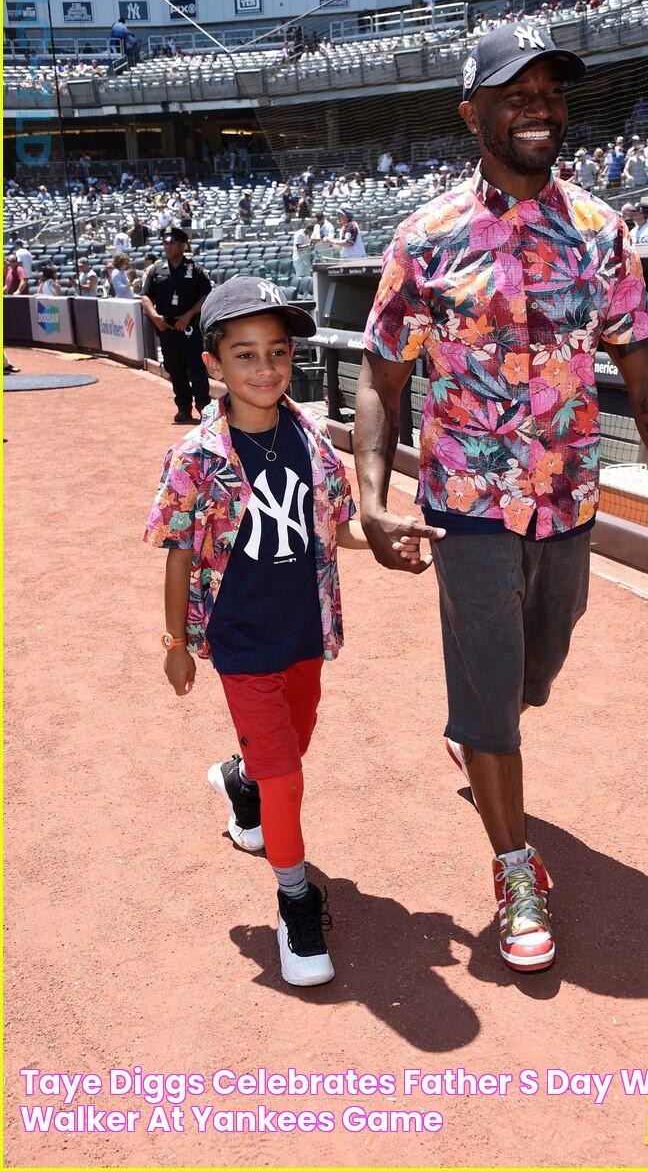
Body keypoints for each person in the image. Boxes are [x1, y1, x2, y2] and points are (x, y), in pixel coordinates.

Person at [353, 22, 648, 974]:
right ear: (473, 112)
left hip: (568, 500)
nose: (540, 108)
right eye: (516, 94)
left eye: (551, 92)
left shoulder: (600, 232)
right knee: (490, 697)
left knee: (535, 662)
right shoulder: (424, 240)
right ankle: (514, 866)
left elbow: (642, 364)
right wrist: (373, 497)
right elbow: (382, 379)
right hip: (467, 503)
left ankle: (483, 721)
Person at [144, 276, 418, 986]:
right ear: (213, 363)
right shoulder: (196, 458)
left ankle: (240, 783)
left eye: (278, 352)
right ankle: (296, 902)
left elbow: (338, 529)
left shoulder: (311, 440)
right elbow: (178, 554)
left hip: (305, 632)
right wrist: (176, 646)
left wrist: (388, 537)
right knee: (288, 777)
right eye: (244, 355)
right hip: (240, 644)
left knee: (290, 746)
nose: (264, 369)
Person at [141, 226, 212, 425]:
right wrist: (156, 318)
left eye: (172, 243)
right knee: (175, 368)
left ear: (183, 245)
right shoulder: (156, 270)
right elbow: (145, 296)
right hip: (167, 328)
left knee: (196, 368)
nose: (168, 247)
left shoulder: (195, 270)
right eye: (165, 243)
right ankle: (183, 407)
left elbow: (206, 295)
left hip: (189, 328)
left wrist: (188, 316)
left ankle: (204, 407)